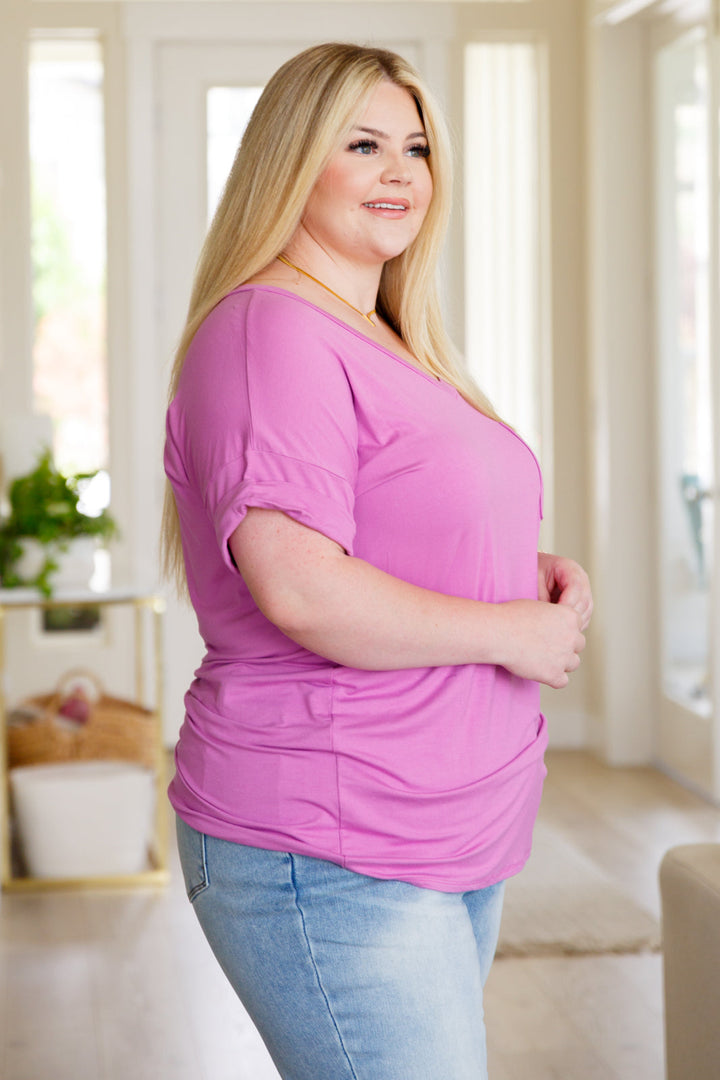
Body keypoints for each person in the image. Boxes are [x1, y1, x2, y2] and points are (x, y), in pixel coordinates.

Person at [162, 41, 592, 1080]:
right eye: (362, 145)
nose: (401, 171)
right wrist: (513, 630)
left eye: (417, 147)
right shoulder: (270, 328)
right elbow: (300, 585)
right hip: (331, 837)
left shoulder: (386, 335)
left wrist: (513, 567)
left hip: (442, 822)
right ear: (291, 163)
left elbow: (386, 519)